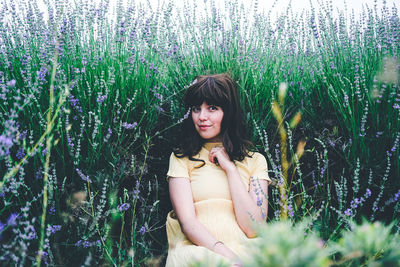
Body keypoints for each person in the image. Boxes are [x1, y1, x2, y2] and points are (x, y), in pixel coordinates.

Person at [165, 73, 271, 266]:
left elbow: (254, 228)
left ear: (228, 113)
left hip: (248, 251)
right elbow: (188, 224)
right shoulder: (181, 159)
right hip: (199, 252)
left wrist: (230, 169)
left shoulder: (255, 161)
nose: (202, 117)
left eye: (212, 108)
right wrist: (230, 258)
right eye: (196, 109)